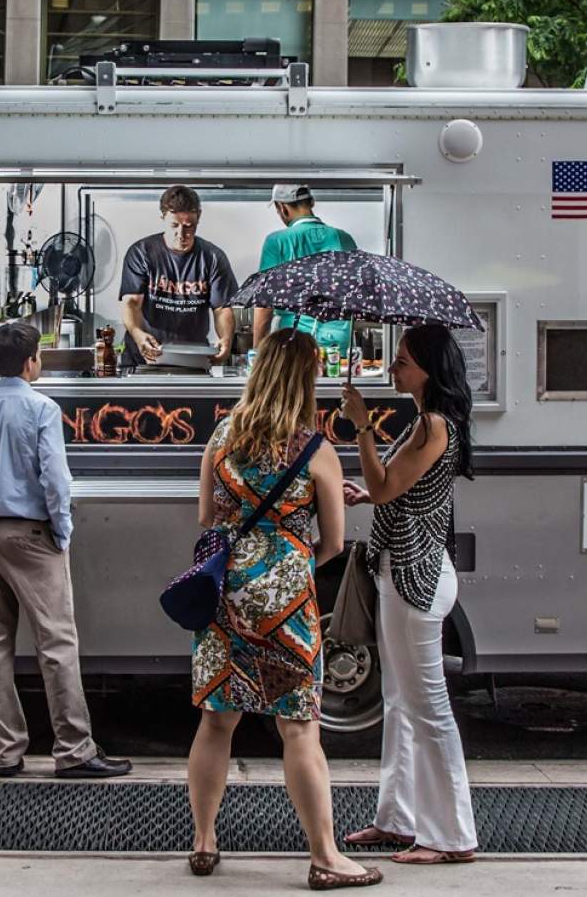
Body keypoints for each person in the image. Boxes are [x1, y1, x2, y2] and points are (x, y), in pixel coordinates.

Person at [186, 328, 382, 889]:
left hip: (224, 594)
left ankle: (203, 842)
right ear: (303, 379)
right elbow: (335, 545)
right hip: (287, 599)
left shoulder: (221, 436)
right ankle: (325, 856)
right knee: (299, 729)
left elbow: (207, 516)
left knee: (217, 720)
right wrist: (292, 547)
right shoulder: (316, 450)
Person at [0, 320, 132, 780]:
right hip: (32, 535)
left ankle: (7, 751)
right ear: (31, 362)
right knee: (57, 643)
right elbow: (54, 479)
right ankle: (73, 749)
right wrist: (61, 533)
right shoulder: (42, 409)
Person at [338, 325, 478, 865]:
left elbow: (383, 486)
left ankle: (451, 836)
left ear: (428, 369)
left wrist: (362, 427)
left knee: (427, 707)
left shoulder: (431, 426)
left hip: (415, 578)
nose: (392, 369)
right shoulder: (426, 424)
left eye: (401, 361)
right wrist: (369, 490)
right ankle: (397, 818)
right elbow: (394, 491)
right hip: (405, 570)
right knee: (399, 702)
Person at [119, 185, 238, 369]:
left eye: (189, 227)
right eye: (174, 225)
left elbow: (222, 309)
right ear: (163, 218)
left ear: (198, 218)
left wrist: (226, 339)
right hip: (146, 355)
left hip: (193, 358)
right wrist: (136, 333)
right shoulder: (142, 253)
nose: (181, 234)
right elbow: (132, 302)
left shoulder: (213, 257)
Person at [252, 184, 359, 357]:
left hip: (294, 341)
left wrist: (257, 350)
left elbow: (265, 303)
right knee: (333, 383)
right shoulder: (344, 239)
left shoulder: (277, 241)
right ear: (311, 202)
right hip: (337, 341)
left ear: (282, 208)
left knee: (294, 384)